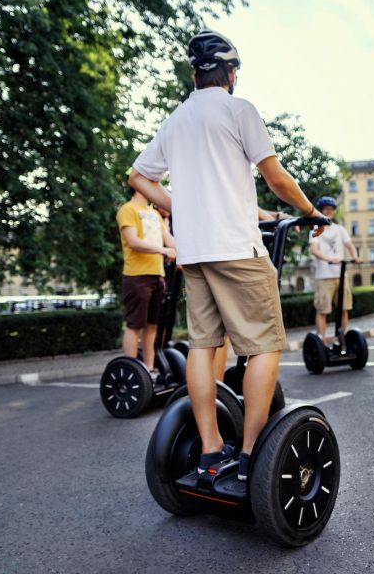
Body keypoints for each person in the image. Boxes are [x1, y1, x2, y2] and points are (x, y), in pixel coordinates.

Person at [127, 30, 325, 482]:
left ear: (194, 73)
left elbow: (140, 177)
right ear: (231, 73)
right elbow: (275, 177)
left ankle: (212, 451)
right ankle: (253, 452)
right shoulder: (240, 110)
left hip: (195, 253)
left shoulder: (176, 120)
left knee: (202, 345)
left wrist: (184, 207)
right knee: (264, 345)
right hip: (238, 248)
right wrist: (311, 212)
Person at [116, 189, 177, 380]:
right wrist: (164, 251)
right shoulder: (128, 209)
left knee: (152, 326)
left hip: (157, 275)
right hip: (136, 276)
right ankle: (131, 372)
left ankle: (149, 369)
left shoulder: (154, 214)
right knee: (135, 325)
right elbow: (133, 242)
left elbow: (169, 240)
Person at [309, 196, 361, 343]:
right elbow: (314, 250)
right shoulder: (315, 229)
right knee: (322, 311)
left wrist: (355, 256)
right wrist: (329, 259)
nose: (328, 212)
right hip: (323, 276)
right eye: (325, 209)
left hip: (341, 275)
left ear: (333, 212)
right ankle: (322, 342)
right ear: (320, 211)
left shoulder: (340, 229)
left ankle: (341, 340)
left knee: (344, 309)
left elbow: (350, 245)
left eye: (330, 209)